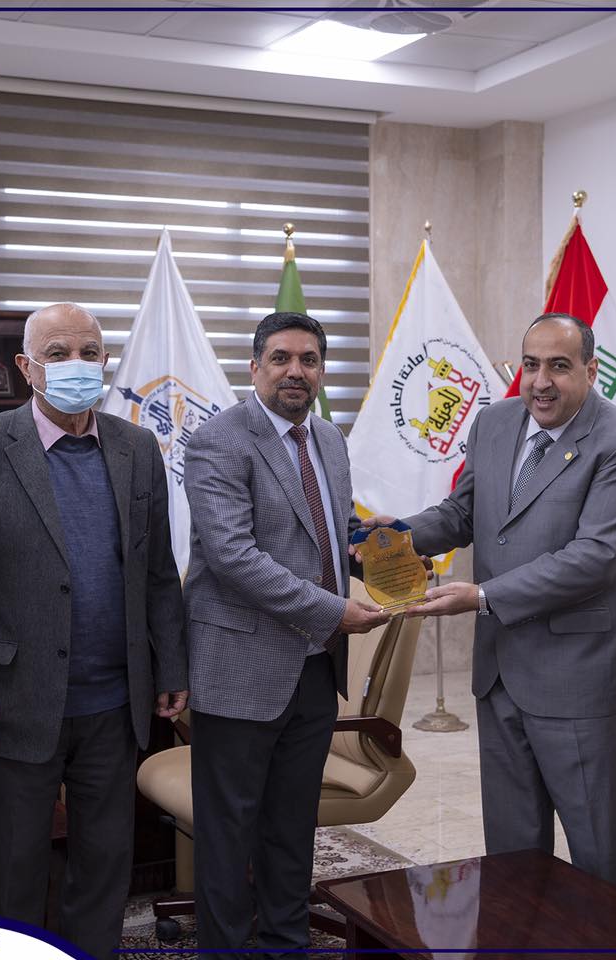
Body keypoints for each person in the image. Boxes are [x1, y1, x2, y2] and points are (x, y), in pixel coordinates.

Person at [0, 302, 186, 959]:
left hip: (114, 701)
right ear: (26, 367)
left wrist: (170, 665)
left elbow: (158, 570)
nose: (77, 365)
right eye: (58, 354)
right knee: (11, 869)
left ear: (105, 361)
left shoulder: (137, 448)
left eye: (89, 353)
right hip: (15, 700)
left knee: (104, 865)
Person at [375, 312, 616, 898]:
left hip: (584, 680)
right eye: (530, 365)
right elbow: (462, 513)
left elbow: (596, 557)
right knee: (511, 857)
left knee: (604, 859)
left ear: (591, 371)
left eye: (559, 366)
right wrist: (397, 536)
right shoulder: (495, 422)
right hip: (501, 674)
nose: (540, 382)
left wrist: (483, 596)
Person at [183, 311, 388, 958]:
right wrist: (332, 611)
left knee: (294, 826)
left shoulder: (328, 438)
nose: (295, 371)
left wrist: (381, 550)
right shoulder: (219, 441)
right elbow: (233, 558)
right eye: (281, 358)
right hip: (240, 665)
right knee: (229, 833)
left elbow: (327, 533)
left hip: (315, 665)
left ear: (322, 371)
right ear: (254, 367)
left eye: (309, 359)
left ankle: (284, 945)